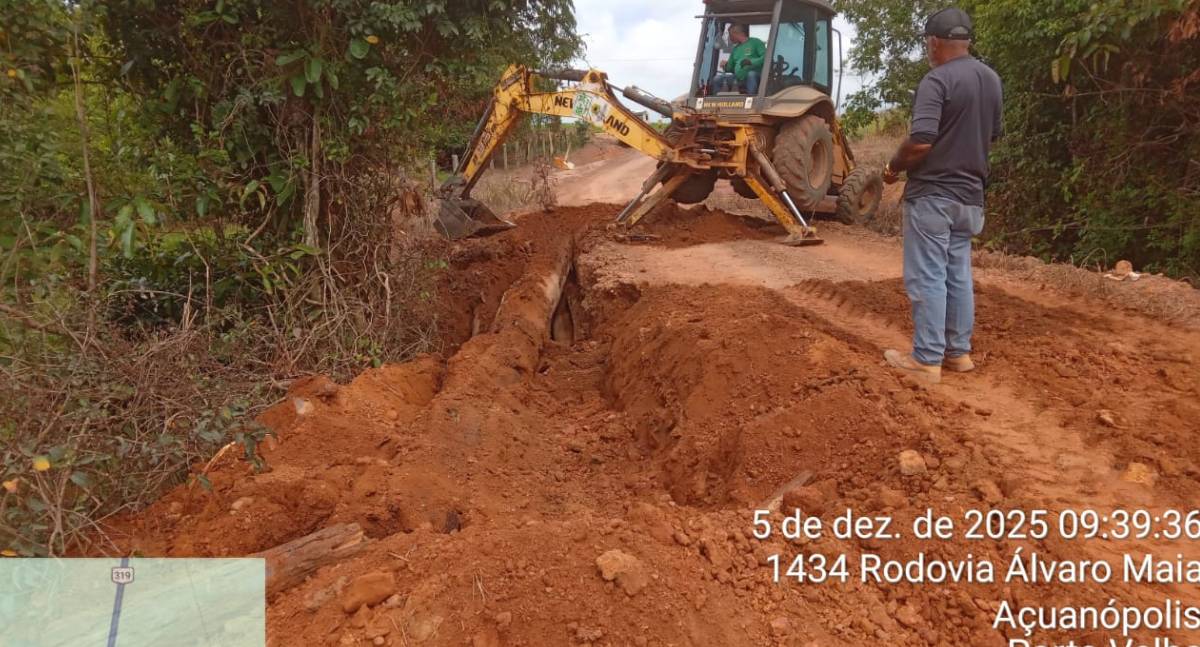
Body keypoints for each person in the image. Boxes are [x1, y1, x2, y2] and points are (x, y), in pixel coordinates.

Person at [881, 7, 1002, 383]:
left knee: (928, 276)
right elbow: (993, 135)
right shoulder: (991, 79)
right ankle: (958, 355)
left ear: (934, 43)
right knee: (958, 274)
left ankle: (926, 360)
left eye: (926, 45)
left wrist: (892, 167)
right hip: (971, 197)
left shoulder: (937, 81)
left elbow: (920, 141)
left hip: (934, 196)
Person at [713, 24, 765, 94]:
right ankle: (717, 101)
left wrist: (751, 62)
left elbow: (766, 57)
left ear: (736, 34)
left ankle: (751, 99)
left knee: (751, 74)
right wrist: (725, 65)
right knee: (717, 79)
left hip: (756, 77)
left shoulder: (755, 42)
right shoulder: (735, 49)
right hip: (738, 78)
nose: (729, 38)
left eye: (730, 35)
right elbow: (730, 68)